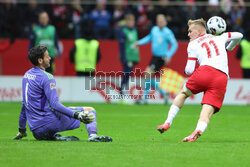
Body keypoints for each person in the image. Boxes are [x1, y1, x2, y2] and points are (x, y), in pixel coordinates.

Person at [157, 18, 243, 142]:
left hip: (205, 72)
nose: (188, 34)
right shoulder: (221, 37)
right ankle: (198, 130)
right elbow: (239, 35)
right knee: (207, 109)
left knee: (183, 94)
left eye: (190, 31)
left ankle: (167, 122)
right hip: (222, 77)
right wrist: (230, 47)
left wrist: (188, 69)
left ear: (198, 31)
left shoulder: (193, 44)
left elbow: (189, 70)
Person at [13, 45, 112, 142]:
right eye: (47, 56)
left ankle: (55, 137)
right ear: (40, 60)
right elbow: (55, 105)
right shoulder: (47, 77)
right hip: (48, 124)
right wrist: (77, 115)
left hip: (36, 131)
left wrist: (22, 129)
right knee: (89, 110)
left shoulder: (27, 75)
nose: (50, 58)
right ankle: (93, 136)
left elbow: (24, 105)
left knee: (66, 109)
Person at [135, 14, 178, 104]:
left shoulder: (167, 32)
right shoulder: (154, 30)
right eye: (158, 21)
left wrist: (169, 55)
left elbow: (175, 44)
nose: (160, 22)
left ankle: (144, 98)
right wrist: (139, 42)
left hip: (161, 57)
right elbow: (148, 38)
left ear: (165, 22)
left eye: (162, 21)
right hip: (154, 57)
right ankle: (163, 93)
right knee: (148, 76)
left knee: (147, 73)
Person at [119, 13, 140, 100]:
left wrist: (137, 56)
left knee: (129, 73)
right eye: (130, 21)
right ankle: (122, 90)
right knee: (126, 73)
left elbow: (136, 44)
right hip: (127, 57)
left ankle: (123, 89)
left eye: (133, 20)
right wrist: (123, 58)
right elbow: (121, 46)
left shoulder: (135, 31)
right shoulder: (124, 32)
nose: (131, 22)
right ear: (127, 22)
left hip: (133, 56)